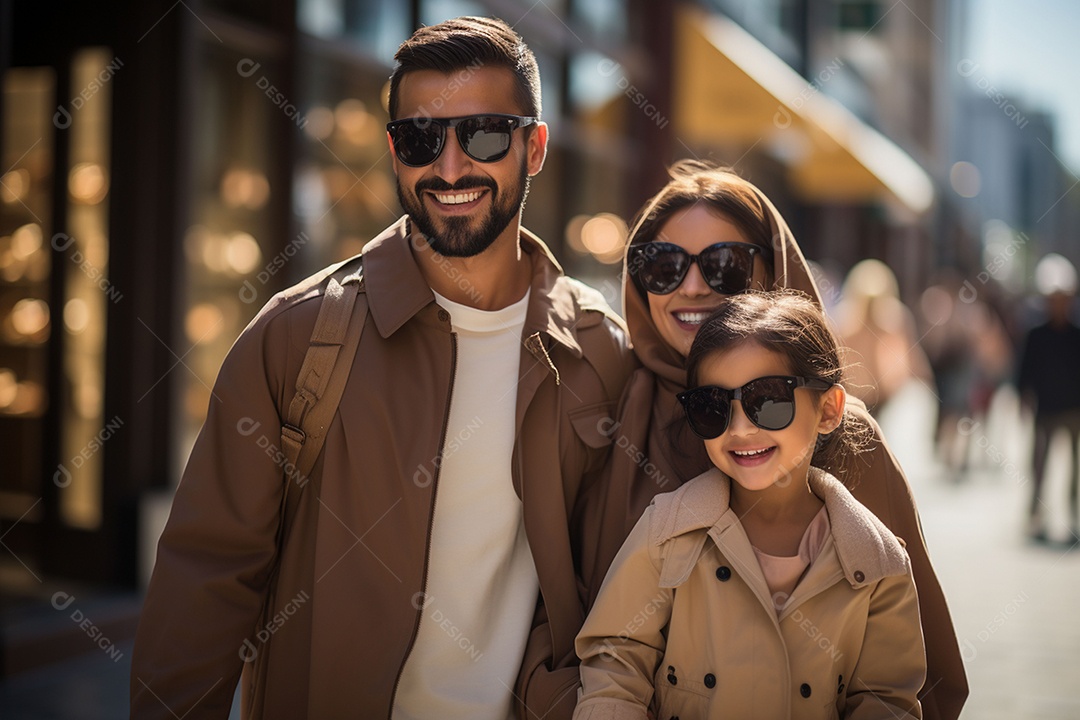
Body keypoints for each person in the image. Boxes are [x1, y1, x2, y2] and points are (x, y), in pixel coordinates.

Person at [131, 17, 632, 720]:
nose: (450, 169)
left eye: (484, 134)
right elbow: (205, 585)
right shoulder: (298, 335)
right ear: (395, 151)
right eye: (422, 139)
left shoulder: (600, 351)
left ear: (535, 147)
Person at [579, 160, 967, 720]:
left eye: (724, 265)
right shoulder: (607, 408)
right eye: (662, 266)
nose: (692, 286)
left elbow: (909, 673)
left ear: (772, 270)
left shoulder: (850, 436)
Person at [575, 290, 926, 719]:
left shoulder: (880, 565)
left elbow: (887, 699)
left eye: (768, 400)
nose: (740, 428)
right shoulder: (667, 531)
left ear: (829, 408)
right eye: (713, 407)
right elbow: (616, 658)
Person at [1016, 253, 1080, 542]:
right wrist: (1022, 401)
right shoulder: (1036, 335)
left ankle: (1073, 516)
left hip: (1072, 410)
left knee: (1074, 468)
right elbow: (1025, 372)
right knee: (1039, 467)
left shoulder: (1075, 335)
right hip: (1045, 411)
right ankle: (1036, 516)